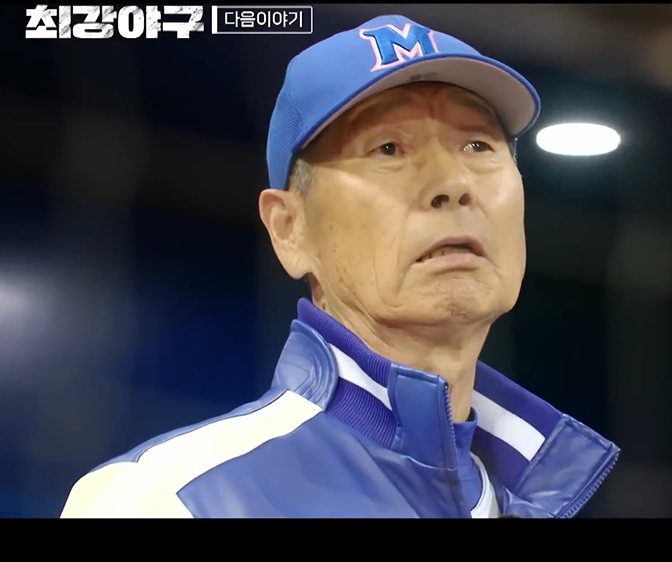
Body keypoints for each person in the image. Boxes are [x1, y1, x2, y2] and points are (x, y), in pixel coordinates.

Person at [60, 14, 620, 518]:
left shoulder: (529, 498)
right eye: (388, 149)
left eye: (477, 145)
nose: (453, 184)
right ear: (290, 230)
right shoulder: (167, 499)